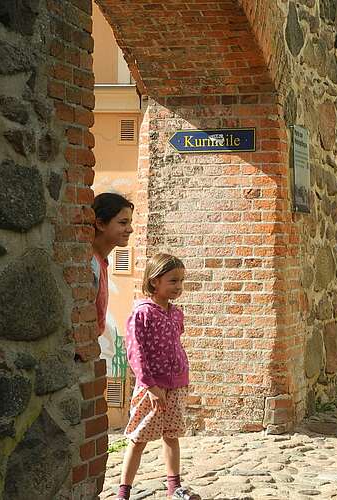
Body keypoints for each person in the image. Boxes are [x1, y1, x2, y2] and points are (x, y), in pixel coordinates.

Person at [117, 253, 199, 500]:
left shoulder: (176, 314)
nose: (179, 287)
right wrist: (150, 385)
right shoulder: (142, 313)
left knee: (172, 435)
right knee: (138, 437)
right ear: (154, 281)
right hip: (151, 388)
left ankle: (175, 488)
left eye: (181, 281)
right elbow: (135, 352)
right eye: (173, 281)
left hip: (177, 385)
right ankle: (123, 493)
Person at [91, 193, 134, 337]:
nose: (130, 229)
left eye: (130, 223)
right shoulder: (90, 264)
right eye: (123, 223)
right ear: (101, 224)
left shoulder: (100, 261)